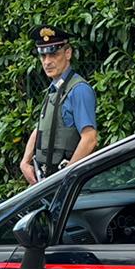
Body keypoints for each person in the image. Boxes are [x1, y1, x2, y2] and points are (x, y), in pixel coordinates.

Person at [19, 24, 98, 184]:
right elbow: (41, 128)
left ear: (68, 53)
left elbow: (90, 139)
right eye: (43, 56)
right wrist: (25, 162)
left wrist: (66, 177)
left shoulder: (79, 90)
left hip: (67, 184)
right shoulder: (54, 88)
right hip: (48, 180)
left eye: (53, 54)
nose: (47, 62)